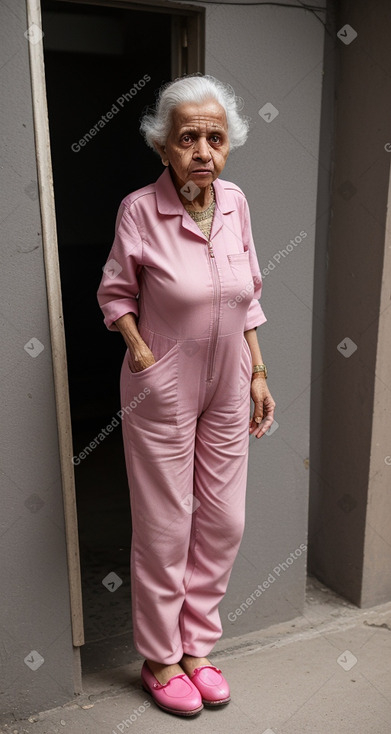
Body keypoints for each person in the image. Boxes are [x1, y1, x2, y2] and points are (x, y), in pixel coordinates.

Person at [97, 73, 276, 717]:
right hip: (161, 385)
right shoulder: (139, 210)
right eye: (189, 137)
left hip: (229, 380)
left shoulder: (236, 202)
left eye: (215, 137)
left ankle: (198, 646)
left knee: (223, 522)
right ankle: (159, 657)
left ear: (228, 146)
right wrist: (139, 349)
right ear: (164, 147)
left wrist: (258, 371)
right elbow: (116, 292)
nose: (203, 149)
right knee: (166, 526)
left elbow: (249, 292)